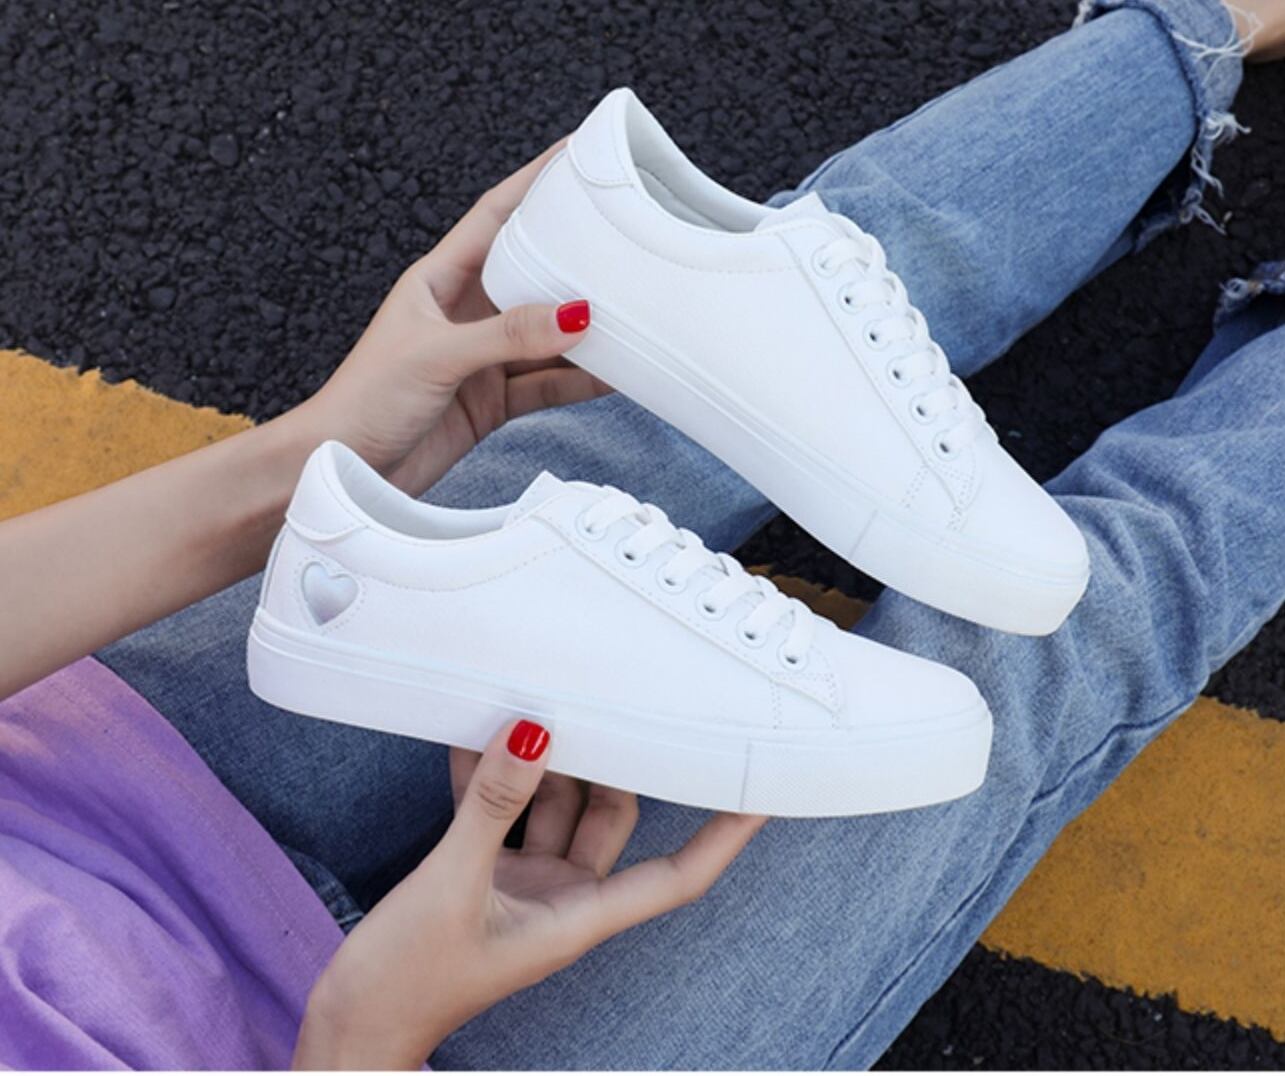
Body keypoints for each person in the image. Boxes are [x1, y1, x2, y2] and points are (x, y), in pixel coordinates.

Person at [1, 0, 1282, 1067]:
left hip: (93, 785)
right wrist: (356, 1044)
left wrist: (296, 463)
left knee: (717, 354)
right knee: (1002, 687)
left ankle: (1202, 18)